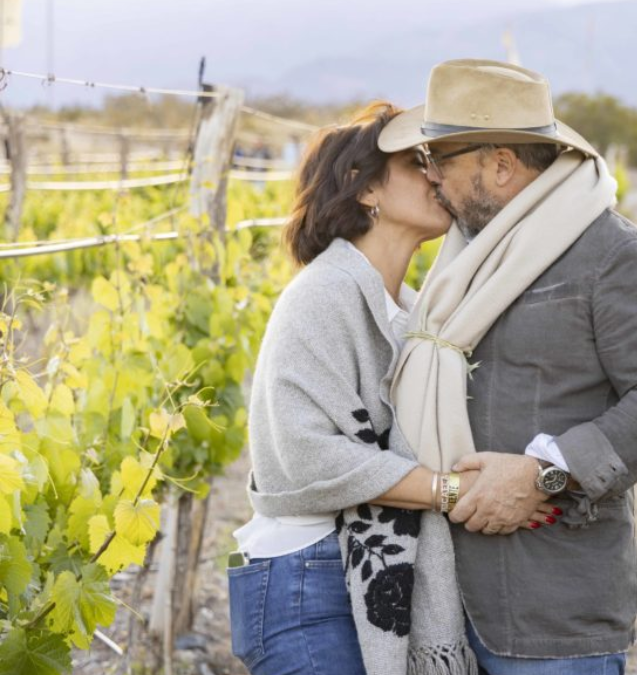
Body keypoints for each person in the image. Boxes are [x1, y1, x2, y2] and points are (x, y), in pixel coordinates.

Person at [381, 59, 637, 675]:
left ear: (500, 165)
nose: (431, 181)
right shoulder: (469, 259)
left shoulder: (617, 256)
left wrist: (543, 474)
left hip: (552, 613)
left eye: (439, 162)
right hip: (450, 600)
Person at [227, 101, 555, 675]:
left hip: (348, 567)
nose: (436, 176)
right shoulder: (323, 293)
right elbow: (305, 458)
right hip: (305, 574)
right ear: (364, 190)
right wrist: (450, 492)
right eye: (414, 163)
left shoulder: (410, 313)